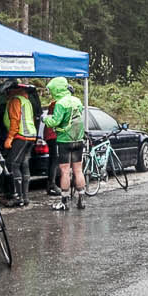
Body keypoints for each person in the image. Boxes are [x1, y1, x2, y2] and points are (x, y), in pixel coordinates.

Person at [43, 77, 86, 211]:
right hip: (78, 139)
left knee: (65, 171)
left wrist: (45, 119)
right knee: (78, 170)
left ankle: (64, 202)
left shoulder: (60, 103)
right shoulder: (77, 101)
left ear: (56, 89)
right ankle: (81, 199)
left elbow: (55, 121)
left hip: (64, 141)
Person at [1, 82, 39, 209]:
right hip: (31, 136)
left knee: (13, 164)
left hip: (21, 136)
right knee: (24, 164)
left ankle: (17, 197)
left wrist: (10, 138)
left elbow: (15, 120)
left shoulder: (15, 100)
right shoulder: (26, 100)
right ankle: (25, 197)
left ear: (10, 91)